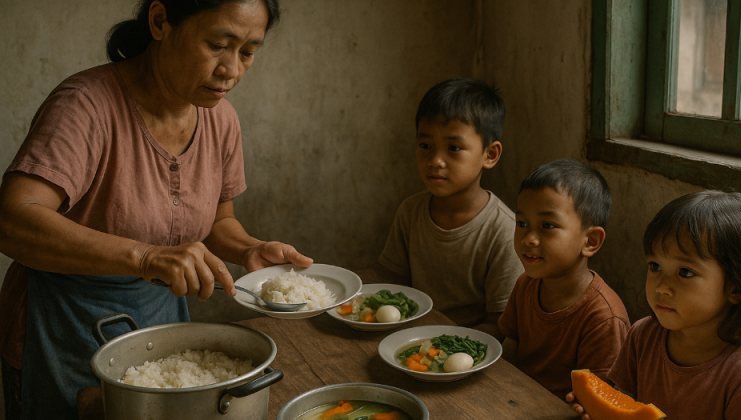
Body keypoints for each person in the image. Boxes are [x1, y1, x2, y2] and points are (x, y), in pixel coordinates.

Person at [0, 1, 312, 418]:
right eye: (219, 44)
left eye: (248, 52)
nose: (231, 70)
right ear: (160, 21)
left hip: (161, 333)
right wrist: (146, 256)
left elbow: (218, 220)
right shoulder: (86, 106)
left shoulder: (220, 121)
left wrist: (247, 249)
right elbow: (13, 221)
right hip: (64, 328)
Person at [567, 190, 741, 420]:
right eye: (655, 267)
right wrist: (596, 409)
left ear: (737, 288)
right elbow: (620, 404)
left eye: (685, 272)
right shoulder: (643, 337)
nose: (662, 287)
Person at [378, 78, 522, 340]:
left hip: (466, 350)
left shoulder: (504, 232)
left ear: (490, 155)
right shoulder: (410, 212)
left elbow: (500, 327)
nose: (435, 161)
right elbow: (390, 289)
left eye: (454, 148)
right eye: (425, 146)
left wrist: (438, 344)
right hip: (406, 340)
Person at [498, 159, 630, 400]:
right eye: (522, 223)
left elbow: (599, 400)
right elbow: (511, 347)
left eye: (547, 225)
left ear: (590, 241)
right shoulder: (526, 284)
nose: (528, 238)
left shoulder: (603, 318)